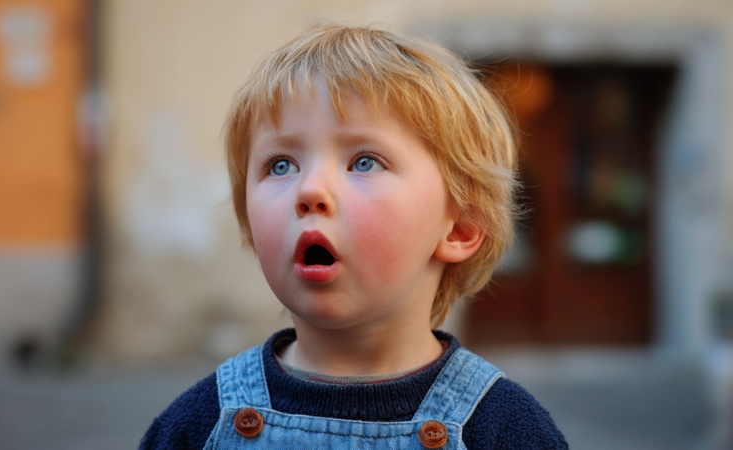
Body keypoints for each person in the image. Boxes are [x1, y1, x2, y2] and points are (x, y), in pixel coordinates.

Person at [141, 24, 568, 449]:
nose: (309, 190)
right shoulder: (194, 427)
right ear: (251, 226)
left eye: (364, 161)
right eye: (281, 165)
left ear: (460, 227)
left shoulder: (505, 431)